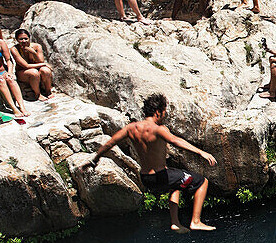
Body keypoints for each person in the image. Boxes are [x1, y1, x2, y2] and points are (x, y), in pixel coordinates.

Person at [86, 93, 218, 232]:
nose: (165, 115)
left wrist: (94, 159)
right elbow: (175, 140)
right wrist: (201, 152)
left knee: (176, 183)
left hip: (146, 179)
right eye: (164, 112)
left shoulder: (131, 128)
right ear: (157, 112)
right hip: (160, 176)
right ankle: (196, 221)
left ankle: (175, 223)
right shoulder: (157, 129)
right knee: (202, 182)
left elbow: (109, 143)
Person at [11, 28, 53, 101]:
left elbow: (40, 61)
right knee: (34, 73)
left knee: (46, 71)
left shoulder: (37, 46)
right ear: (17, 40)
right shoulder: (14, 49)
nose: (24, 41)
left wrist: (33, 53)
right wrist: (44, 64)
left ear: (29, 38)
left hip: (36, 68)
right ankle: (37, 94)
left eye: (25, 38)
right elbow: (26, 66)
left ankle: (48, 91)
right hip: (23, 72)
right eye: (21, 39)